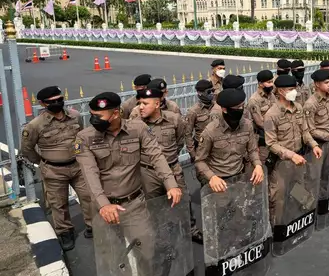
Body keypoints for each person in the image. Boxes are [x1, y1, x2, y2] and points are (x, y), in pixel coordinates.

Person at [75, 92, 182, 273]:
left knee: (147, 251)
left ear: (115, 113)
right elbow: (89, 175)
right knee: (113, 258)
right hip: (105, 209)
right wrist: (103, 205)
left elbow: (156, 156)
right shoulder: (84, 138)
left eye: (98, 116)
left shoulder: (137, 128)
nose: (93, 119)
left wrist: (171, 183)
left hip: (134, 205)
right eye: (92, 114)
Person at [20, 86, 93, 251]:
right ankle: (65, 232)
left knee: (88, 197)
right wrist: (43, 162)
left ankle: (92, 225)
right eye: (52, 102)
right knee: (59, 204)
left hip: (77, 166)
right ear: (42, 104)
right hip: (53, 170)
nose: (58, 103)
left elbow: (81, 138)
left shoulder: (75, 116)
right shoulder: (35, 125)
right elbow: (27, 149)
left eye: (60, 99)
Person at [131, 87, 202, 242]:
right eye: (139, 103)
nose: (140, 107)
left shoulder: (174, 119)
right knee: (153, 205)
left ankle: (191, 230)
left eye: (145, 103)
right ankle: (160, 236)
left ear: (157, 104)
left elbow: (179, 140)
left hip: (173, 167)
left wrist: (171, 157)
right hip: (149, 172)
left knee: (183, 200)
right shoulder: (135, 124)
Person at [263, 75, 323, 225]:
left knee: (299, 189)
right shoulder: (272, 115)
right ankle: (277, 228)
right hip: (281, 163)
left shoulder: (298, 108)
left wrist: (313, 144)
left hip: (299, 159)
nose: (294, 92)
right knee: (279, 197)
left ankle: (301, 219)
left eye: (294, 89)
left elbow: (305, 131)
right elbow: (271, 144)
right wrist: (291, 155)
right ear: (281, 91)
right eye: (290, 89)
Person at [195, 88, 264, 191]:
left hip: (239, 177)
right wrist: (212, 177)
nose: (241, 110)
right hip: (219, 181)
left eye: (242, 106)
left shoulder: (247, 125)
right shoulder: (211, 130)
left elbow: (252, 150)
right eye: (237, 107)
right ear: (224, 109)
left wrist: (258, 165)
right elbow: (200, 161)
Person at [247, 70, 277, 164]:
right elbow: (260, 122)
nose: (271, 84)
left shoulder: (272, 95)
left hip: (274, 136)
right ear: (260, 84)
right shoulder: (254, 100)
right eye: (268, 82)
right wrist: (275, 128)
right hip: (262, 138)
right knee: (264, 164)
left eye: (272, 82)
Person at [184, 80, 215, 162]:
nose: (211, 93)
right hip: (201, 149)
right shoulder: (193, 111)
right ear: (200, 93)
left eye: (213, 91)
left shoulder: (217, 107)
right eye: (209, 92)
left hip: (217, 148)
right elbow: (187, 134)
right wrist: (193, 154)